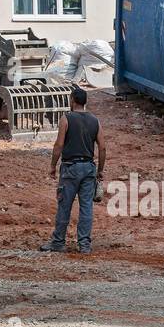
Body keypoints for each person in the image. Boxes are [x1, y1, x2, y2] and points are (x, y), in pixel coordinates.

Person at [41, 86, 105, 254]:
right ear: (85, 102)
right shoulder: (95, 120)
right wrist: (100, 171)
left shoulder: (66, 119)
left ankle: (58, 242)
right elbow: (103, 148)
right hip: (89, 168)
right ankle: (84, 244)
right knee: (86, 208)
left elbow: (59, 145)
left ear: (72, 101)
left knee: (65, 206)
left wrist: (52, 166)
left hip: (70, 169)